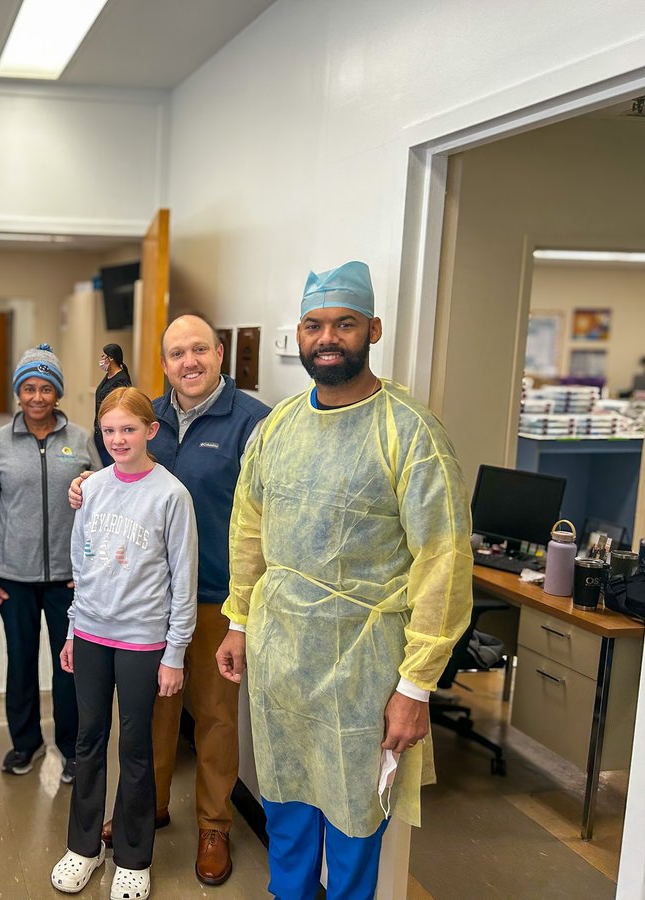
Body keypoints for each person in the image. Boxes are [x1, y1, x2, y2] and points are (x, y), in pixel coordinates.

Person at [216, 261, 473, 899]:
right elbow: (249, 532)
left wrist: (415, 685)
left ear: (373, 330)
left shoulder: (409, 432)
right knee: (284, 796)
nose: (327, 337)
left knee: (356, 815)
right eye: (314, 324)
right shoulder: (277, 427)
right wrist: (239, 622)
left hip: (367, 665)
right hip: (280, 655)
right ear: (299, 334)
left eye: (344, 324)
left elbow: (443, 563)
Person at [70, 314, 270, 885]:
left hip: (215, 599)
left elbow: (264, 519)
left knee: (212, 717)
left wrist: (243, 613)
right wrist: (86, 483)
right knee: (149, 717)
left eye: (200, 349)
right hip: (143, 606)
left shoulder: (252, 423)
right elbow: (122, 478)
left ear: (219, 354)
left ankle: (213, 826)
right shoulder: (147, 416)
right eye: (178, 353)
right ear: (164, 364)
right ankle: (147, 808)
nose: (190, 362)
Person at [50, 387, 197, 900]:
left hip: (142, 642)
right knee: (88, 741)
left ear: (151, 431)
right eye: (109, 430)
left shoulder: (171, 495)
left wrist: (174, 653)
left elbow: (184, 579)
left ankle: (134, 856)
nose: (117, 439)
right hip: (91, 634)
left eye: (128, 429)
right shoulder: (91, 489)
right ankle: (84, 848)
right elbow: (81, 563)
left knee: (136, 747)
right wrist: (72, 630)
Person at [0, 343, 100, 782]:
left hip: (69, 580)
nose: (36, 397)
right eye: (28, 388)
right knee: (21, 660)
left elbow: (103, 504)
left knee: (69, 666)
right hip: (13, 577)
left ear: (57, 393)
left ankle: (71, 748)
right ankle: (25, 744)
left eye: (45, 388)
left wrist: (92, 569)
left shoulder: (81, 440)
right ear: (18, 393)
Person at [92, 343, 131, 467]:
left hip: (112, 433)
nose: (102, 360)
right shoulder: (108, 377)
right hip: (100, 430)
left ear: (111, 358)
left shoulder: (121, 380)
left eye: (104, 356)